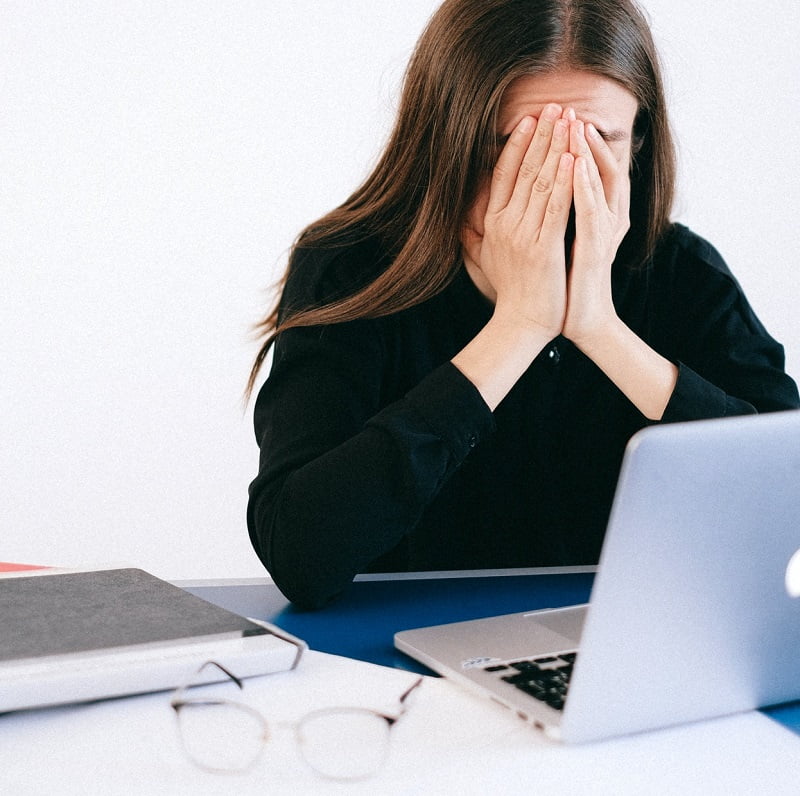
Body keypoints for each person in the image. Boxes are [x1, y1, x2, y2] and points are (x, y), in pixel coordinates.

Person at [246, 0, 800, 609]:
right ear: (447, 141)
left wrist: (600, 329)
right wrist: (518, 327)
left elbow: (783, 506)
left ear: (638, 142)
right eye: (518, 145)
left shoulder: (681, 271)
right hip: (406, 654)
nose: (558, 176)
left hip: (620, 638)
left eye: (599, 142)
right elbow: (299, 554)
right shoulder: (350, 266)